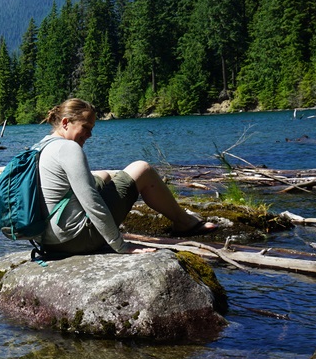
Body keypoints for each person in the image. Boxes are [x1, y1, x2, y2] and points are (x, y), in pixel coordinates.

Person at [37, 98, 215, 256]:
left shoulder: (39, 147)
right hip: (77, 240)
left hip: (49, 243)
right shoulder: (69, 148)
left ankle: (180, 218)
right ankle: (184, 222)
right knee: (142, 169)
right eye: (86, 127)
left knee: (104, 175)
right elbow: (92, 203)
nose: (90, 135)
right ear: (66, 123)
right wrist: (120, 245)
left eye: (92, 129)